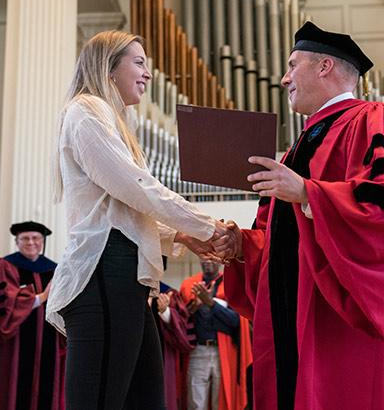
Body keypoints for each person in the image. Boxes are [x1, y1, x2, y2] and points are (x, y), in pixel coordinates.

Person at [212, 21, 384, 410]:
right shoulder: (295, 149)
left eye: (291, 65)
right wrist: (239, 245)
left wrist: (307, 192)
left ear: (324, 67)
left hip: (343, 323)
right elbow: (279, 245)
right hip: (297, 319)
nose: (284, 79)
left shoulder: (376, 119)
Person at [47, 29, 227, 409]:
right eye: (140, 62)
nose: (147, 73)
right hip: (103, 269)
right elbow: (136, 188)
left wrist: (182, 234)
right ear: (109, 68)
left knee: (145, 397)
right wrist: (206, 226)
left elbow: (126, 208)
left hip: (127, 272)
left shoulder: (113, 120)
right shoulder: (86, 111)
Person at [0, 220, 66, 410]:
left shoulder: (55, 269)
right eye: (25, 238)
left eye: (36, 238)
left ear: (43, 242)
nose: (31, 242)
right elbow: (2, 303)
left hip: (49, 342)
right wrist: (40, 298)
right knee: (13, 392)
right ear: (17, 242)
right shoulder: (5, 266)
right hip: (13, 344)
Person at [179, 261, 252, 410]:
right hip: (198, 350)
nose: (208, 261)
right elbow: (181, 321)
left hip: (224, 352)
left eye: (212, 257)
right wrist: (195, 306)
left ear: (219, 261)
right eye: (204, 256)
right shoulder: (189, 285)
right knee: (196, 402)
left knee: (221, 400)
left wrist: (211, 303)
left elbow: (237, 321)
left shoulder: (231, 285)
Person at [152, 282, 194, 410]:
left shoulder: (168, 294)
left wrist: (165, 312)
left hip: (161, 357)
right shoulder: (128, 291)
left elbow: (183, 333)